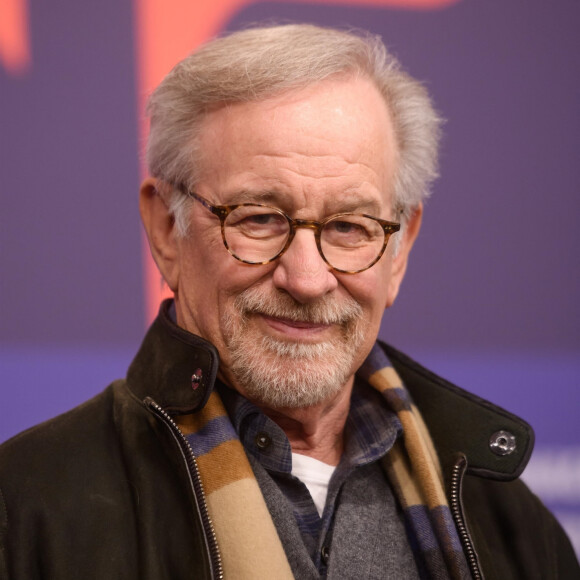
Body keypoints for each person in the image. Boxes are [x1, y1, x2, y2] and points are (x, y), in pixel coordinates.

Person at [0, 24, 577, 580]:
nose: (307, 279)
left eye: (350, 227)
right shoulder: (26, 510)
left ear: (399, 251)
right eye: (259, 219)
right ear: (165, 230)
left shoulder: (513, 526)